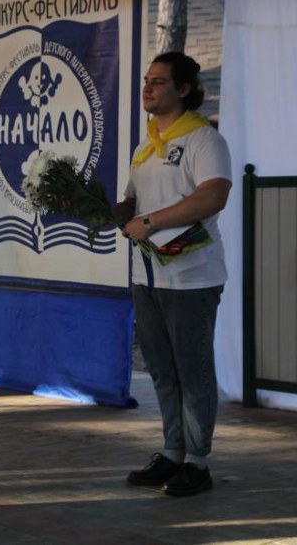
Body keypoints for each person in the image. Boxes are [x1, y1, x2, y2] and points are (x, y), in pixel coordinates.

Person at [114, 52, 232, 497]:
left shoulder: (204, 140)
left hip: (190, 278)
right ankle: (173, 452)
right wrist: (90, 205)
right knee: (162, 369)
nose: (148, 87)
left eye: (159, 81)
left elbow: (212, 196)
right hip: (146, 275)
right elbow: (131, 205)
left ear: (183, 89)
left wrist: (150, 221)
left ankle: (197, 463)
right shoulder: (145, 145)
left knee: (192, 370)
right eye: (147, 80)